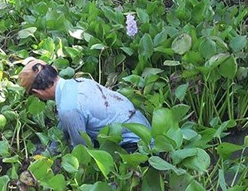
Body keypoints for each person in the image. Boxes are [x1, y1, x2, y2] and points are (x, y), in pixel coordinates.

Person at [18, 57, 152, 153]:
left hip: (139, 147)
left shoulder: (67, 108)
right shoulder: (80, 82)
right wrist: (51, 148)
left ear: (37, 92)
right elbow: (65, 122)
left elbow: (81, 150)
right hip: (145, 128)